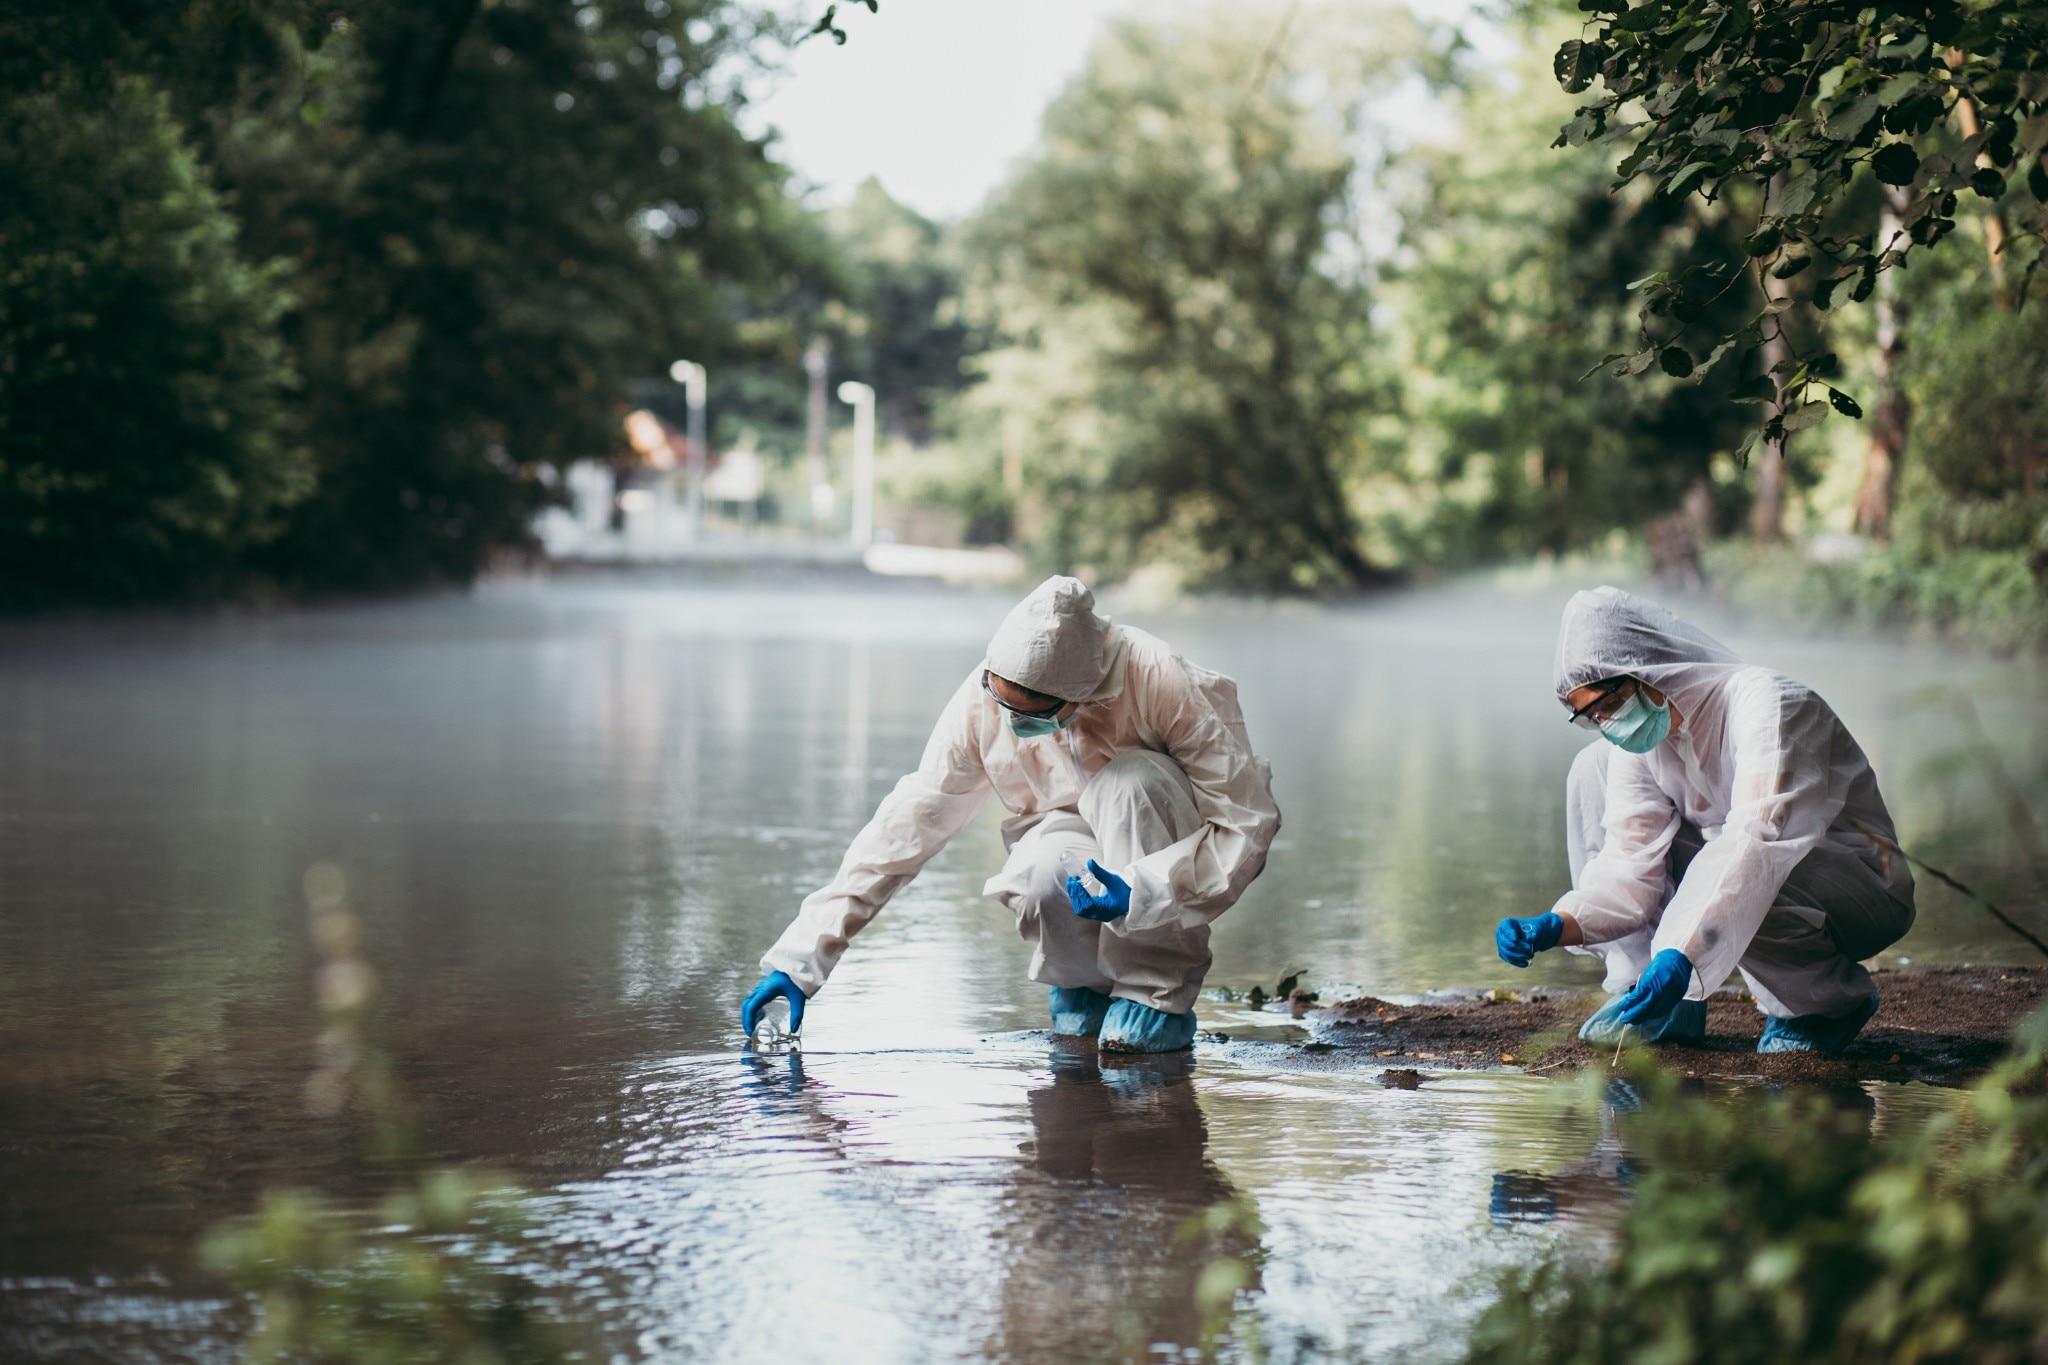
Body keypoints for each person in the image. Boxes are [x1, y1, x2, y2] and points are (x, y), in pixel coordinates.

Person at [740, 576, 1280, 1053]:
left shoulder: (1157, 677)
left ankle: (1154, 992)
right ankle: (1083, 986)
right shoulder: (984, 700)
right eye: (1003, 704)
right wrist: (802, 959)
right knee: (1046, 865)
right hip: (1071, 835)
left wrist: (1143, 887)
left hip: (1158, 827)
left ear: (1080, 695)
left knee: (1127, 784)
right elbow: (908, 823)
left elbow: (1246, 820)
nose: (1010, 719)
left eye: (1030, 713)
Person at [1495, 586, 1915, 1054]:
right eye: (1590, 716)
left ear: (1645, 668)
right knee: (1593, 768)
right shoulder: (1647, 745)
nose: (1607, 723)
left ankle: (1819, 1004)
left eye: (1608, 705)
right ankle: (1661, 998)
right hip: (1757, 879)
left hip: (1856, 890)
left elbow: (1757, 843)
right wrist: (1558, 922)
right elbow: (1631, 865)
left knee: (1749, 864)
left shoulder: (1771, 706)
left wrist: (1682, 952)